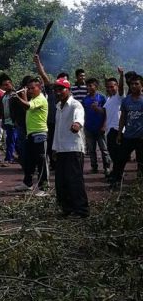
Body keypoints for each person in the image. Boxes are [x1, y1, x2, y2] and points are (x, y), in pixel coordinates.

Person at [52, 78, 89, 218]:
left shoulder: (75, 104)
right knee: (61, 181)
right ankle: (67, 209)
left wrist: (77, 125)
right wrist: (55, 147)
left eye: (61, 89)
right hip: (61, 149)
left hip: (73, 148)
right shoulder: (58, 107)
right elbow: (57, 129)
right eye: (56, 89)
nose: (58, 92)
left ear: (68, 90)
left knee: (74, 180)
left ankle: (81, 210)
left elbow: (79, 117)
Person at [14, 77, 49, 196]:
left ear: (39, 88)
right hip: (30, 134)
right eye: (28, 88)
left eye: (32, 88)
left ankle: (44, 188)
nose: (29, 90)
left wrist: (19, 96)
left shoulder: (40, 99)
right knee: (28, 161)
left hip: (40, 134)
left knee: (41, 162)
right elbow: (26, 106)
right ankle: (27, 183)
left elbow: (27, 106)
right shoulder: (33, 99)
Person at [34, 54, 69, 170]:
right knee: (50, 145)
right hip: (50, 122)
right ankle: (54, 165)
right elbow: (43, 76)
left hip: (63, 124)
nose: (59, 91)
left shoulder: (71, 100)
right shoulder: (52, 90)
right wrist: (38, 63)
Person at [110, 74, 143, 188]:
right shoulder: (126, 101)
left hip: (141, 137)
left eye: (136, 84)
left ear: (142, 86)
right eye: (132, 84)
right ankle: (117, 181)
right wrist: (119, 134)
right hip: (128, 136)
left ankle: (139, 184)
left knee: (141, 162)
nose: (133, 86)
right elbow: (123, 117)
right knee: (120, 159)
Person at [82, 78, 111, 175]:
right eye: (88, 85)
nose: (89, 87)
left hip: (100, 128)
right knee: (91, 150)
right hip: (89, 128)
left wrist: (104, 125)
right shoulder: (85, 99)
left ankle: (107, 167)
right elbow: (83, 113)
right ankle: (94, 167)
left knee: (104, 149)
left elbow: (106, 112)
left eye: (91, 85)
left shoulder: (102, 98)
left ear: (96, 86)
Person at [102, 68, 125, 181]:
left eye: (113, 86)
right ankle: (116, 174)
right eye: (108, 86)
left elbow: (121, 88)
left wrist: (121, 75)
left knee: (117, 155)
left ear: (116, 86)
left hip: (117, 130)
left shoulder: (119, 97)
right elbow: (106, 114)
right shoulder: (109, 99)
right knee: (113, 154)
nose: (111, 88)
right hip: (109, 130)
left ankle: (117, 177)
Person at [0, 75, 18, 165]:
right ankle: (13, 157)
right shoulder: (4, 96)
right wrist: (3, 120)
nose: (5, 87)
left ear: (11, 84)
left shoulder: (15, 95)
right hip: (6, 121)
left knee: (11, 140)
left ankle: (8, 158)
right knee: (9, 140)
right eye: (4, 85)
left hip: (13, 122)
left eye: (7, 84)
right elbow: (2, 109)